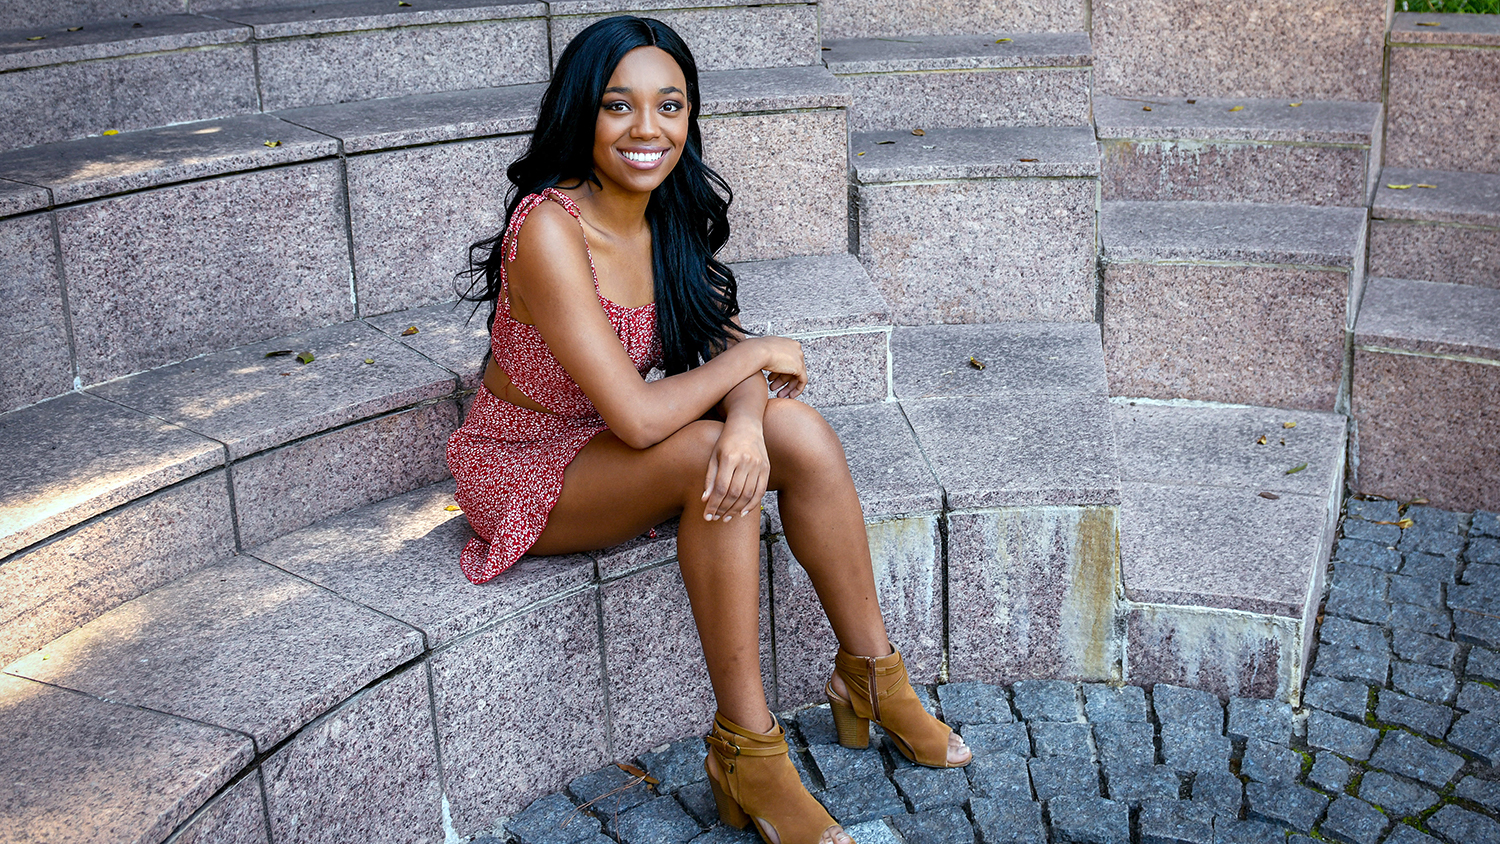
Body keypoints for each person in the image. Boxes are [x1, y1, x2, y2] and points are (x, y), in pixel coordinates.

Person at [448, 16, 970, 844]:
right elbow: (645, 412)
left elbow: (725, 357)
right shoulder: (550, 229)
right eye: (619, 106)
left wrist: (753, 422)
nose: (647, 129)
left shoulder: (668, 210)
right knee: (705, 456)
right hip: (523, 469)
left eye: (670, 106)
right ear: (581, 113)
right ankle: (748, 753)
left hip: (612, 450)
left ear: (690, 117)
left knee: (798, 434)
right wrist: (755, 367)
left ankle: (872, 675)